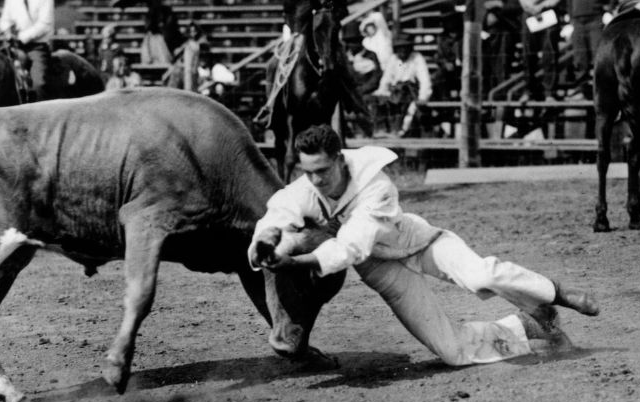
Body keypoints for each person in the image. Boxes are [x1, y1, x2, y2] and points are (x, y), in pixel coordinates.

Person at [248, 124, 600, 367]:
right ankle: (529, 325)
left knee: (479, 275)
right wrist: (267, 241)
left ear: (341, 159)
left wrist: (297, 263)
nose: (315, 180)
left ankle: (556, 293)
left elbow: (351, 246)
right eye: (307, 172)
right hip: (381, 270)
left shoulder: (376, 183)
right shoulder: (307, 188)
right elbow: (278, 213)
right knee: (453, 352)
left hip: (418, 242)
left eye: (322, 170)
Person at [257, 0, 365, 127]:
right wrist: (297, 25)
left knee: (341, 65)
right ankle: (270, 107)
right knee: (274, 64)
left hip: (324, 31)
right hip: (299, 30)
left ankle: (356, 106)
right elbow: (288, 10)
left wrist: (324, 10)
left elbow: (340, 7)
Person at [0, 0, 55, 101]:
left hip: (36, 47)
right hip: (14, 47)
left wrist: (22, 37)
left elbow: (45, 24)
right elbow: (4, 19)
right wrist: (7, 30)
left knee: (39, 84)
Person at [519, 0, 567, 99]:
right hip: (530, 13)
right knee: (528, 53)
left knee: (549, 52)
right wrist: (530, 7)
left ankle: (549, 91)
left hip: (549, 13)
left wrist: (544, 5)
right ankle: (529, 89)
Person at [566, 0, 614, 89]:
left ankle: (601, 89)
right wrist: (570, 17)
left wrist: (609, 10)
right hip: (578, 21)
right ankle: (582, 89)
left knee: (597, 55)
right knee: (580, 57)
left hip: (595, 19)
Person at [372, 33, 432, 136]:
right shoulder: (393, 59)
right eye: (400, 49)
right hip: (395, 91)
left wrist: (423, 97)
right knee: (379, 100)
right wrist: (382, 90)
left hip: (410, 91)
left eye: (405, 48)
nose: (403, 52)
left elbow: (425, 80)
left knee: (406, 101)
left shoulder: (417, 58)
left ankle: (399, 130)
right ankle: (383, 129)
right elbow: (386, 78)